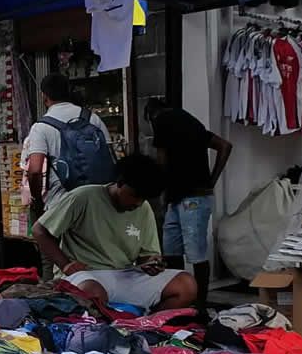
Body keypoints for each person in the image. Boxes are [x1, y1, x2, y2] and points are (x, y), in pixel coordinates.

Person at [33, 154, 198, 311]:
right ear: (120, 183)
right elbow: (39, 231)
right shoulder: (84, 197)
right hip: (86, 275)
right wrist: (66, 265)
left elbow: (146, 255)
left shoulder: (143, 208)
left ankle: (143, 324)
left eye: (143, 199)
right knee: (92, 293)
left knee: (186, 285)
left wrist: (152, 264)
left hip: (126, 274)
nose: (138, 203)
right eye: (134, 196)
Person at [145, 98, 232, 309]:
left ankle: (192, 302)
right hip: (190, 196)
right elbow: (225, 146)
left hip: (188, 197)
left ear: (150, 115)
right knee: (182, 251)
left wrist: (156, 192)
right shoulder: (191, 122)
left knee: (184, 252)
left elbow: (162, 161)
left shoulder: (161, 120)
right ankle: (194, 301)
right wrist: (211, 180)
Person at [25, 73, 116, 219]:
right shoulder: (92, 118)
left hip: (61, 204)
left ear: (44, 96)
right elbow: (110, 156)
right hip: (96, 200)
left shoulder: (40, 127)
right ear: (69, 92)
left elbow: (35, 171)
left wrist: (37, 200)